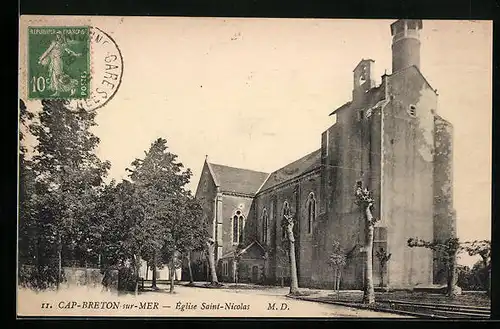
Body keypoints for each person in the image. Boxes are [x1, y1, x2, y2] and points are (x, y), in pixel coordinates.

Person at [38, 31, 82, 96]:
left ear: (61, 36)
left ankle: (72, 86)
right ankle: (57, 91)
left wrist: (76, 54)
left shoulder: (62, 44)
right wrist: (42, 58)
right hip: (53, 61)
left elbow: (68, 51)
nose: (58, 37)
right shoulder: (54, 43)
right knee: (54, 77)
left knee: (58, 76)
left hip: (57, 61)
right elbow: (48, 51)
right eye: (57, 35)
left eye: (59, 35)